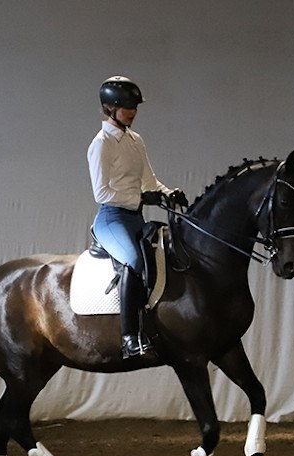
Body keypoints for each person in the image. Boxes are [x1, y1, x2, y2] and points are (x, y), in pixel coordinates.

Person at [88, 76, 187, 359]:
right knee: (133, 262)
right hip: (111, 219)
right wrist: (142, 198)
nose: (133, 111)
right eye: (127, 106)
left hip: (134, 217)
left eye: (135, 106)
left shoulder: (135, 140)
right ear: (110, 109)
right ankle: (130, 336)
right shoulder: (101, 144)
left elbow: (149, 180)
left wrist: (168, 193)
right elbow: (102, 194)